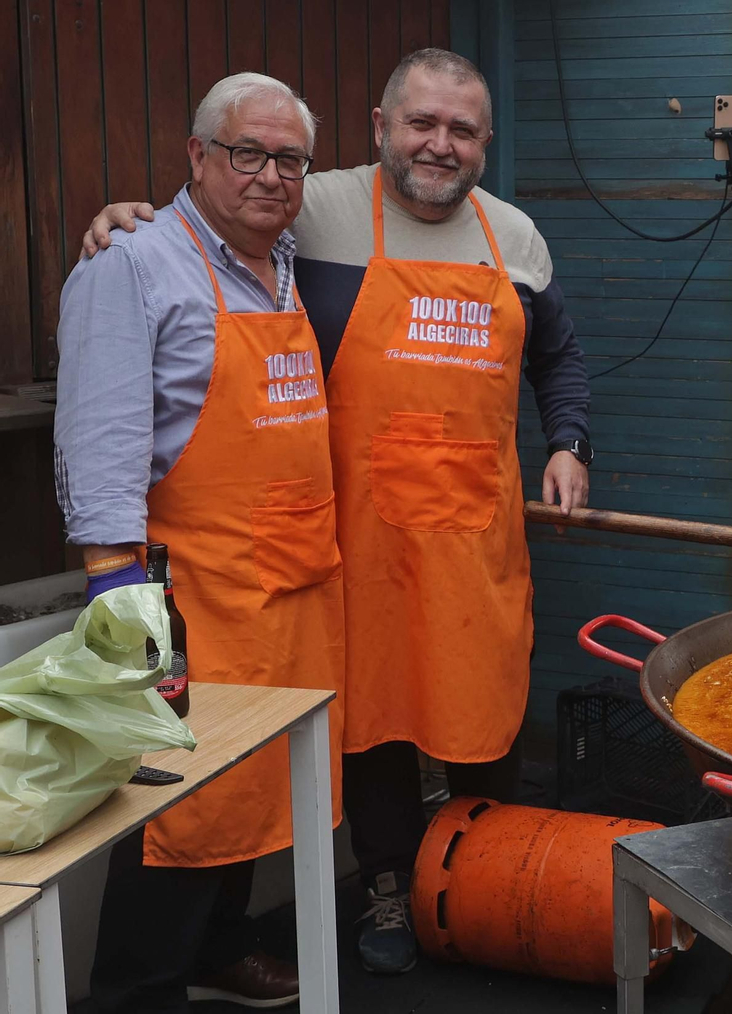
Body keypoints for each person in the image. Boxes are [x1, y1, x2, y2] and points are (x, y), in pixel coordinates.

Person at [85, 48, 593, 975]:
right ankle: (391, 887)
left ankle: (491, 895)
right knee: (373, 723)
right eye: (422, 124)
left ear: (486, 142)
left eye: (462, 130)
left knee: (486, 714)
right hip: (343, 544)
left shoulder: (515, 237)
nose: (440, 146)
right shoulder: (313, 211)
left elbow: (560, 354)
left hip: (474, 538)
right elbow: (210, 212)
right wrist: (128, 216)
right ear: (380, 127)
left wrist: (569, 442)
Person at [56, 72, 342, 1012]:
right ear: (196, 156)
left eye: (288, 159)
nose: (269, 175)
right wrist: (118, 598)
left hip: (286, 583)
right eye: (245, 153)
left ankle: (220, 951)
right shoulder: (130, 262)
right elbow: (99, 441)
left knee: (251, 785)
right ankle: (135, 989)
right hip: (188, 594)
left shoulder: (288, 257)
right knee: (174, 803)